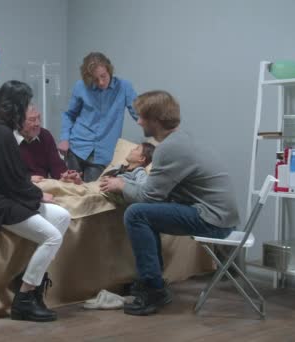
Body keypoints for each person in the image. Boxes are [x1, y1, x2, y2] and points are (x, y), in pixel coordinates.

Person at [99, 90, 240, 316]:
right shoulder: (180, 140)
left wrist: (121, 185)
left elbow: (147, 197)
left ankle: (154, 289)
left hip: (213, 220)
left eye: (142, 117)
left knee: (137, 214)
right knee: (143, 213)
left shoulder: (169, 148)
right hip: (219, 215)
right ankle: (151, 281)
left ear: (156, 120)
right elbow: (158, 193)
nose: (139, 121)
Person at [0, 80, 71, 322]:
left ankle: (29, 279)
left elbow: (14, 179)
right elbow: (14, 180)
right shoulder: (0, 134)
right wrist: (39, 196)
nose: (28, 110)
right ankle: (24, 300)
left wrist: (38, 197)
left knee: (63, 216)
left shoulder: (0, 131)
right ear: (15, 106)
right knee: (52, 236)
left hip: (7, 195)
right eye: (25, 104)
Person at [58, 52, 138, 182]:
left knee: (92, 195)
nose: (100, 82)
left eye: (103, 76)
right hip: (76, 148)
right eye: (95, 79)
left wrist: (160, 132)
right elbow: (69, 115)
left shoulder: (124, 87)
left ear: (109, 70)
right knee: (70, 191)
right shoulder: (81, 86)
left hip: (103, 154)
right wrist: (64, 138)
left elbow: (139, 114)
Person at [15, 102, 82, 184]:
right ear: (18, 122)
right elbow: (5, 176)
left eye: (39, 118)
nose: (38, 123)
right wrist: (27, 179)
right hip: (20, 188)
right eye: (32, 120)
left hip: (44, 188)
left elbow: (57, 168)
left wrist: (67, 176)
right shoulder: (8, 139)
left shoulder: (44, 135)